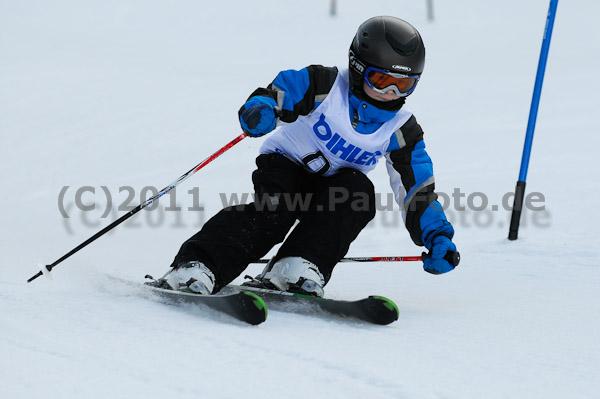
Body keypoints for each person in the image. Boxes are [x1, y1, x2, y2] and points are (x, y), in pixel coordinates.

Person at [162, 16, 458, 297]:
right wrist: (262, 108)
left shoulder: (402, 128)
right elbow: (281, 92)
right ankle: (198, 265)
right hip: (286, 163)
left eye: (403, 84)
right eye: (380, 79)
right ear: (357, 67)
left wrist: (436, 235)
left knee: (359, 194)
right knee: (276, 210)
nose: (390, 92)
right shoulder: (325, 84)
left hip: (335, 187)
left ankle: (296, 266)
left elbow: (417, 189)